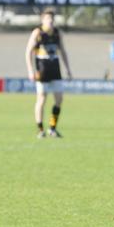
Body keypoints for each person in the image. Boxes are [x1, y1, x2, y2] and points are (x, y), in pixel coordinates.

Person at [25, 8, 72, 138]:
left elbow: (63, 52)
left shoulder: (57, 33)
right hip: (42, 68)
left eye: (52, 18)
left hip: (55, 68)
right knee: (41, 99)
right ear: (43, 20)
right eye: (47, 18)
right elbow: (28, 52)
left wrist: (68, 69)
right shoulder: (37, 33)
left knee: (59, 99)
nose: (50, 21)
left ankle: (52, 128)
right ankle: (40, 129)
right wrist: (30, 70)